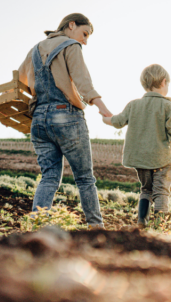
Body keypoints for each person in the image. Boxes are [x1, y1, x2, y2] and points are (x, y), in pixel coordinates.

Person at [17, 13, 112, 230]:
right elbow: (83, 82)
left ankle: (37, 226)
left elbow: (20, 79)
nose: (85, 41)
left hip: (39, 120)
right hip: (66, 117)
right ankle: (96, 228)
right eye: (84, 33)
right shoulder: (71, 46)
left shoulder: (35, 49)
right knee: (85, 179)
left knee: (49, 177)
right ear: (71, 25)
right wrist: (103, 108)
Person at [103, 64, 171, 227]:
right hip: (162, 159)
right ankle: (160, 225)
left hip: (141, 159)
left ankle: (141, 222)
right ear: (163, 82)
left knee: (146, 190)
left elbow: (117, 121)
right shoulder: (168, 105)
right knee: (161, 191)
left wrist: (105, 118)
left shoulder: (133, 105)